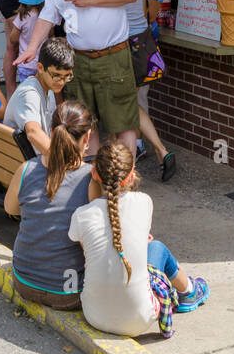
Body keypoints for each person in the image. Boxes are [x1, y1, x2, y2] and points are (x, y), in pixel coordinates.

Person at [69, 139, 209, 339]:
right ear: (131, 174)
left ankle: (188, 290)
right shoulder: (144, 202)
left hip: (94, 316)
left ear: (94, 174)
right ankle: (189, 291)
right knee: (157, 247)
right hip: (139, 319)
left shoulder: (81, 215)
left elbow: (90, 249)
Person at [21, 0, 140, 157]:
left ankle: (124, 181)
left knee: (122, 123)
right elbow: (47, 15)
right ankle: (90, 181)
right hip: (79, 59)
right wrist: (31, 48)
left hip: (113, 56)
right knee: (84, 124)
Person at [94, 0, 175, 181]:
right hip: (142, 40)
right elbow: (141, 9)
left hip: (123, 42)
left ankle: (129, 163)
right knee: (131, 101)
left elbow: (111, 5)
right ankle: (159, 151)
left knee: (122, 103)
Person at [3, 101, 94, 309]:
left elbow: (10, 209)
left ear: (51, 131)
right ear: (87, 138)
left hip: (24, 283)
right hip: (68, 294)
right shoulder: (90, 178)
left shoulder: (26, 169)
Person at [3, 36, 75, 154]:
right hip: (24, 162)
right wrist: (63, 161)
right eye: (56, 75)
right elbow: (33, 132)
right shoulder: (29, 94)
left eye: (67, 76)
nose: (62, 82)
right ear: (40, 68)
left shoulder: (48, 87)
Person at [11, 0, 49, 86]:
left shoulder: (22, 17)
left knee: (28, 94)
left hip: (25, 64)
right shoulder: (46, 16)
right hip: (43, 63)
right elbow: (50, 36)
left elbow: (13, 39)